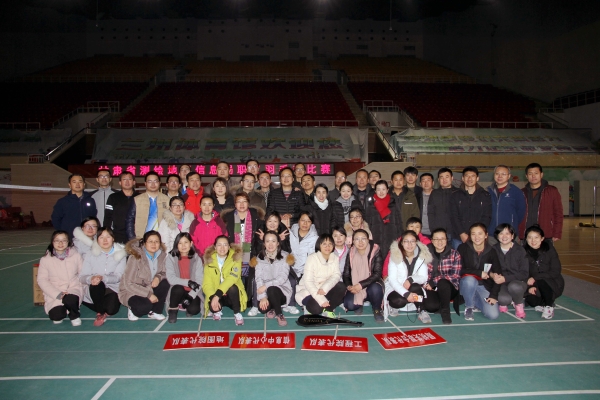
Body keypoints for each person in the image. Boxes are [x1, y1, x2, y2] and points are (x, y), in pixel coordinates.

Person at [221, 192, 264, 313]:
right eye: (238, 201)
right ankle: (235, 299)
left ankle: (248, 299)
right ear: (234, 204)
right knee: (235, 278)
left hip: (251, 252)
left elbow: (259, 235)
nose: (241, 204)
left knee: (249, 279)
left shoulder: (255, 216)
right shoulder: (228, 217)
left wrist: (259, 247)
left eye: (244, 201)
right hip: (233, 254)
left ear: (248, 203)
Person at [383, 230, 437, 322]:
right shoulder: (395, 255)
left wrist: (411, 279)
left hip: (413, 287)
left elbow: (423, 277)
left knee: (417, 288)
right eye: (406, 241)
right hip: (396, 287)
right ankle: (394, 306)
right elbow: (392, 280)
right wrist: (406, 294)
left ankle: (421, 310)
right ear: (402, 243)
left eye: (412, 241)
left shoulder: (422, 255)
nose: (409, 244)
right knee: (399, 301)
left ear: (416, 242)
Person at [79, 227, 126, 326]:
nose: (105, 240)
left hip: (112, 288)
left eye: (108, 237)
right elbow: (82, 277)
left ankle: (100, 306)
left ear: (113, 238)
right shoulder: (90, 254)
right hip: (94, 288)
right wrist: (91, 278)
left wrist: (103, 278)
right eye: (101, 237)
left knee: (111, 310)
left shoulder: (121, 254)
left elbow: (118, 276)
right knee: (97, 284)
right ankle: (100, 313)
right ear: (97, 240)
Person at [37, 231, 84, 326]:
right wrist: (57, 294)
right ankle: (65, 307)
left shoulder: (76, 256)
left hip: (72, 288)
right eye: (57, 240)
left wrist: (80, 286)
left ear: (68, 242)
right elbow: (42, 280)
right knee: (57, 316)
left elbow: (82, 273)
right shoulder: (45, 260)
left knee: (70, 299)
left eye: (64, 240)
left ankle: (74, 315)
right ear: (52, 242)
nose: (60, 243)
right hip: (56, 290)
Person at [120, 231, 168, 321]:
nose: (154, 244)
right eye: (150, 241)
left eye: (156, 241)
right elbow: (128, 283)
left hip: (150, 287)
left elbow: (164, 272)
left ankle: (155, 311)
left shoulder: (162, 256)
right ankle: (131, 308)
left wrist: (158, 277)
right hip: (133, 291)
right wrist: (148, 295)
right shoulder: (135, 257)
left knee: (165, 283)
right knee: (144, 308)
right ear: (144, 243)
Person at [250, 230, 295, 326]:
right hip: (265, 291)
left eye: (273, 241)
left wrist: (266, 286)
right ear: (264, 243)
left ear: (278, 243)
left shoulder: (285, 256)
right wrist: (263, 297)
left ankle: (279, 314)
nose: (270, 244)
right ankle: (273, 307)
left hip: (282, 291)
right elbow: (258, 278)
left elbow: (282, 278)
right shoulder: (259, 257)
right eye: (267, 241)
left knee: (272, 289)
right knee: (263, 309)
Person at [458, 223, 502, 321]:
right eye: (473, 234)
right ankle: (469, 307)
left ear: (486, 235)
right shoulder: (463, 248)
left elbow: (498, 275)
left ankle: (474, 299)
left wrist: (494, 295)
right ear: (470, 236)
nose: (476, 237)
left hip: (483, 285)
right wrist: (479, 272)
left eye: (480, 233)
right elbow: (458, 270)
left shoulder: (492, 251)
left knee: (493, 315)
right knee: (470, 280)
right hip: (466, 283)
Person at [296, 233, 346, 317]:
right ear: (319, 245)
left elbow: (336, 275)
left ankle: (329, 310)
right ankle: (307, 307)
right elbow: (308, 282)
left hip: (324, 289)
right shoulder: (312, 258)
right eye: (324, 244)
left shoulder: (335, 257)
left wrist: (325, 287)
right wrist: (321, 300)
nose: (327, 246)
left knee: (341, 286)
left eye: (330, 244)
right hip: (309, 291)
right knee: (316, 309)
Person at [203, 236, 247, 325]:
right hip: (217, 294)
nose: (222, 248)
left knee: (232, 288)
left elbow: (232, 278)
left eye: (225, 245)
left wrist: (217, 295)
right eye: (219, 245)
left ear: (229, 247)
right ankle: (218, 311)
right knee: (213, 307)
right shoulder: (209, 260)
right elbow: (207, 283)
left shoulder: (236, 257)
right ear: (215, 247)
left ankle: (237, 313)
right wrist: (212, 297)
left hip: (232, 295)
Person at [523, 225, 564, 319]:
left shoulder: (549, 250)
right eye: (530, 237)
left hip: (553, 282)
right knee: (532, 301)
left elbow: (556, 271)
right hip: (534, 283)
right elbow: (523, 272)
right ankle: (544, 302)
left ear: (542, 238)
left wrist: (535, 277)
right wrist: (530, 287)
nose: (533, 241)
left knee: (541, 279)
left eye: (536, 237)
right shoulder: (523, 251)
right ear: (526, 239)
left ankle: (549, 306)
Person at [343, 229, 384, 322]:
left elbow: (377, 274)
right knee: (349, 305)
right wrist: (349, 286)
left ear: (368, 240)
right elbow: (346, 273)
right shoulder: (351, 252)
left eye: (363, 239)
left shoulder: (375, 251)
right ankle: (360, 302)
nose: (360, 242)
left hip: (371, 284)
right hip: (355, 285)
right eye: (357, 239)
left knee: (375, 288)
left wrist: (361, 285)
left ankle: (377, 309)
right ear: (353, 241)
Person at [519, 163, 563, 243]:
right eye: (530, 174)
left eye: (536, 173)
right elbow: (517, 214)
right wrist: (518, 233)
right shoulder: (521, 193)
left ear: (541, 174)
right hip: (526, 235)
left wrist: (557, 233)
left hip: (545, 235)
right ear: (526, 176)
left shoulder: (552, 191)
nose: (533, 176)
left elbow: (558, 213)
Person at [425, 228, 462, 324]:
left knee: (442, 283)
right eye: (436, 239)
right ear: (432, 241)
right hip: (432, 287)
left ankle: (445, 312)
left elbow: (455, 276)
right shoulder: (425, 254)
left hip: (449, 288)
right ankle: (440, 304)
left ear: (446, 240)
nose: (439, 241)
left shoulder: (455, 254)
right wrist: (427, 284)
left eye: (442, 238)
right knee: (431, 307)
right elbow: (422, 273)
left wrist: (434, 281)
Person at [165, 232, 204, 323]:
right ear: (176, 245)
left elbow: (199, 280)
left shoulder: (197, 259)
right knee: (177, 288)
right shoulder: (171, 258)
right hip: (178, 290)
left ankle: (186, 305)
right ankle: (173, 309)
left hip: (192, 291)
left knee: (194, 310)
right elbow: (171, 278)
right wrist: (188, 282)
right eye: (180, 243)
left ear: (191, 243)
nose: (183, 246)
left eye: (186, 242)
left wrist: (191, 296)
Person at [492, 223, 529, 319]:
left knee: (514, 287)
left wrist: (505, 278)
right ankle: (508, 299)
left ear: (512, 236)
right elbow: (488, 268)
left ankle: (518, 303)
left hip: (517, 282)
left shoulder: (520, 250)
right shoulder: (493, 249)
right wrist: (493, 275)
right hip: (501, 283)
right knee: (503, 299)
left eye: (507, 233)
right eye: (501, 233)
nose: (504, 236)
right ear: (497, 236)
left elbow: (524, 273)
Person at [450, 166, 492, 249]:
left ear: (477, 178)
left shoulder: (485, 196)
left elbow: (487, 216)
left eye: (472, 176)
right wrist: (462, 233)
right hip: (459, 237)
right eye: (467, 176)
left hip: (478, 238)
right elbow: (454, 216)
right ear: (463, 178)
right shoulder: (455, 195)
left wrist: (477, 233)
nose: (469, 179)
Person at [287, 211, 319, 314]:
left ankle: (306, 305)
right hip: (291, 268)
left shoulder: (315, 238)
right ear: (298, 221)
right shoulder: (290, 233)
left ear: (312, 223)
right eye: (303, 220)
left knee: (308, 285)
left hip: (306, 270)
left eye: (308, 221)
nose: (305, 224)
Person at [51, 174, 97, 239]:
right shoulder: (62, 202)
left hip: (87, 237)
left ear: (84, 184)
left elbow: (93, 217)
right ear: (69, 185)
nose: (77, 184)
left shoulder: (90, 200)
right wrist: (63, 232)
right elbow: (55, 219)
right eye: (74, 182)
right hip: (69, 237)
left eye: (80, 182)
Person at [125, 172, 169, 240]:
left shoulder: (167, 200)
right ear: (145, 183)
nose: (153, 184)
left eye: (155, 181)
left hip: (162, 238)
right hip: (141, 238)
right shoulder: (136, 199)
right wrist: (132, 239)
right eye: (150, 181)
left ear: (159, 183)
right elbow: (130, 220)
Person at [487, 165, 526, 239]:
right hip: (492, 234)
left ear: (509, 176)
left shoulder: (516, 192)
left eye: (503, 174)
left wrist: (512, 224)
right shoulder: (488, 191)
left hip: (509, 234)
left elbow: (521, 213)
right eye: (497, 173)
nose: (500, 176)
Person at [364, 180, 399, 258]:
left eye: (383, 189)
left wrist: (399, 237)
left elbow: (398, 222)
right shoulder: (371, 206)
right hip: (376, 239)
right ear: (375, 191)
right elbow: (367, 224)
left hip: (391, 238)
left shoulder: (393, 205)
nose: (381, 192)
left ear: (387, 190)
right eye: (378, 189)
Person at [104, 171, 139, 244]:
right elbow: (107, 217)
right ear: (120, 182)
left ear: (134, 182)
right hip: (118, 234)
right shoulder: (113, 197)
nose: (127, 182)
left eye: (129, 179)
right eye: (124, 179)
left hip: (137, 234)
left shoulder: (140, 197)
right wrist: (107, 232)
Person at [428, 168, 457, 242]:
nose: (444, 180)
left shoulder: (458, 193)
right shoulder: (434, 193)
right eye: (441, 177)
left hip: (456, 233)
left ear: (452, 178)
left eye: (447, 177)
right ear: (438, 179)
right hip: (439, 232)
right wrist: (433, 229)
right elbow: (430, 212)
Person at [389, 171, 420, 238]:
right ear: (391, 181)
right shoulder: (386, 195)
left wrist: (413, 228)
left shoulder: (410, 195)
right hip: (390, 230)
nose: (398, 182)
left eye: (400, 180)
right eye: (396, 180)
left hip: (406, 229)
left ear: (404, 181)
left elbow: (416, 213)